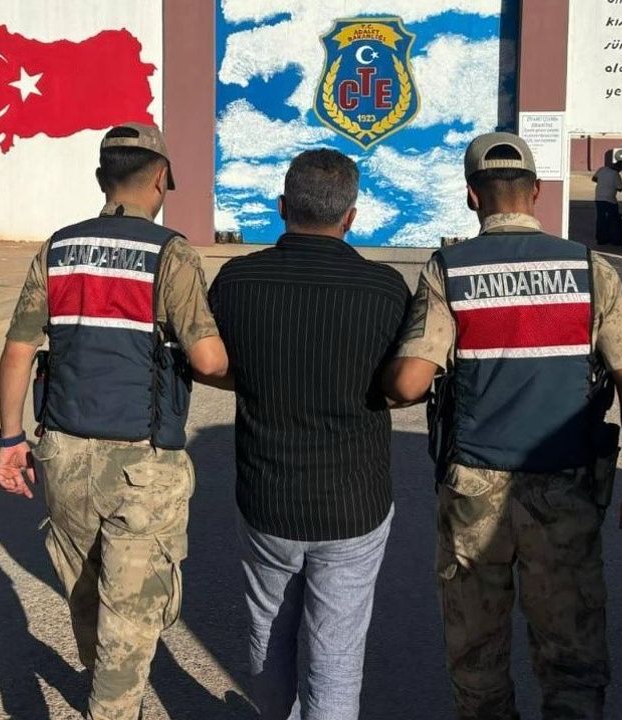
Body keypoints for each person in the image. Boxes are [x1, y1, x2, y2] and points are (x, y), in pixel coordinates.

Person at [384, 132, 622, 720]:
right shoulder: (589, 269)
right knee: (573, 661)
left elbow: (409, 384)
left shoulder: (447, 270)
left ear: (471, 196)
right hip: (565, 486)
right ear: (536, 192)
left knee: (477, 658)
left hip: (473, 488)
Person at [0, 123, 227, 720]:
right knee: (130, 620)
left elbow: (19, 349)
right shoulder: (171, 254)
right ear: (161, 178)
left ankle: (108, 697)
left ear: (102, 178)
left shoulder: (58, 248)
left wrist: (10, 439)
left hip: (64, 454)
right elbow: (207, 359)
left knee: (87, 598)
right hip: (142, 466)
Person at [204, 149, 410, 720]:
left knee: (267, 633)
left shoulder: (237, 280)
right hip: (354, 505)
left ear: (281, 207)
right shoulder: (387, 289)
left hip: (267, 497)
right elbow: (402, 382)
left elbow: (211, 362)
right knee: (335, 654)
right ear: (351, 216)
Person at [592, 155, 622, 246]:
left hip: (599, 198)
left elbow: (594, 179)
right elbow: (620, 188)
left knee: (601, 219)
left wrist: (603, 182)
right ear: (618, 168)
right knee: (613, 219)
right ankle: (612, 237)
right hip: (610, 200)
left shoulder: (602, 169)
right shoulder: (616, 175)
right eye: (620, 169)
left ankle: (600, 239)